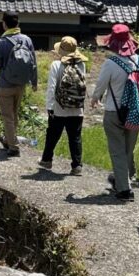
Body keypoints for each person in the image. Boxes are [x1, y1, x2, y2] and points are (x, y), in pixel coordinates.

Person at [91, 23, 139, 201]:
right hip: (136, 111)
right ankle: (123, 178)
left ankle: (124, 190)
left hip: (114, 112)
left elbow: (100, 86)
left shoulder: (110, 63)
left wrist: (95, 98)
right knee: (127, 150)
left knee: (117, 151)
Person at [0, 12, 37, 156]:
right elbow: (33, 62)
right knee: (14, 114)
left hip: (5, 85)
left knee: (7, 116)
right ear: (17, 24)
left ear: (4, 24)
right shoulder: (27, 40)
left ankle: (13, 147)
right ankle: (9, 140)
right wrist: (34, 82)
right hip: (21, 85)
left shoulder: (1, 42)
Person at [40, 36, 89, 175]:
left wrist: (49, 106)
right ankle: (77, 166)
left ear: (61, 50)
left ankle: (47, 160)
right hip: (76, 108)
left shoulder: (56, 65)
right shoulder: (81, 65)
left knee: (52, 134)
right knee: (75, 137)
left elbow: (52, 87)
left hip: (59, 108)